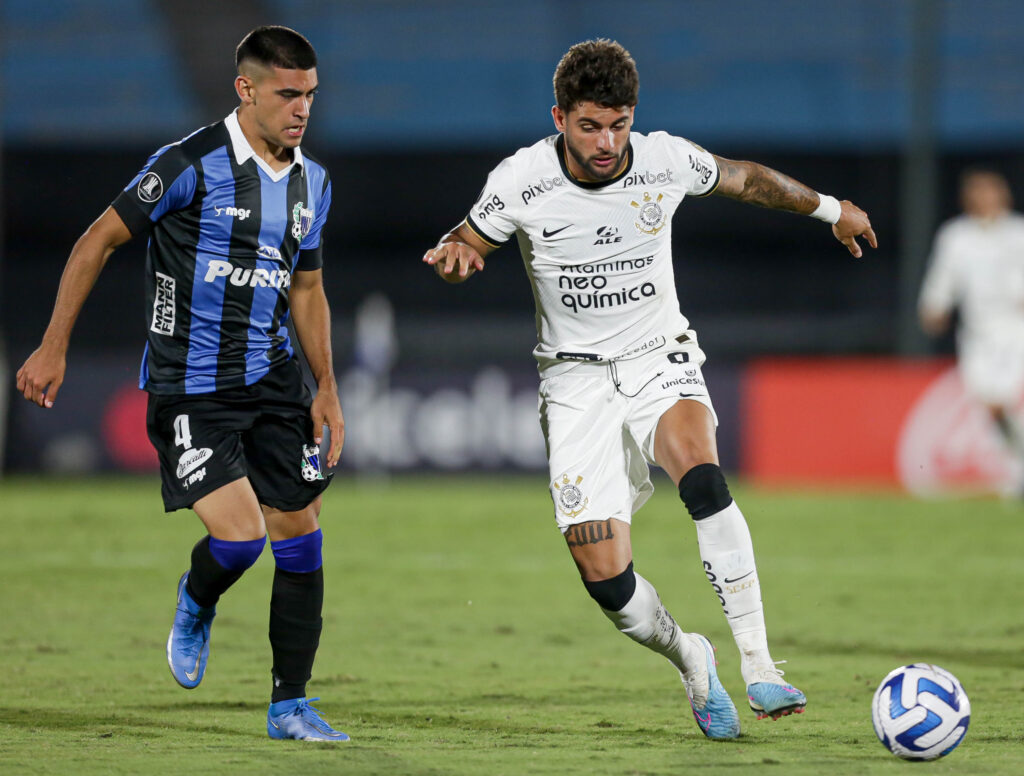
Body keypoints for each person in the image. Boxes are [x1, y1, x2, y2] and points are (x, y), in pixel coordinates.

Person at [423, 39, 876, 740]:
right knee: (609, 584)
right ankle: (692, 657)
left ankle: (760, 663)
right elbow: (469, 240)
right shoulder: (521, 180)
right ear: (559, 117)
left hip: (656, 355)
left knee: (700, 471)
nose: (606, 143)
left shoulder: (664, 159)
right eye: (589, 126)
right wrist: (456, 260)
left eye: (619, 123)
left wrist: (827, 209)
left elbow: (747, 180)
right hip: (573, 381)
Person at [16, 26, 349, 742]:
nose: (301, 110)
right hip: (190, 389)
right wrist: (52, 347)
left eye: (310, 96)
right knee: (239, 541)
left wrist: (326, 387)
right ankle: (198, 599)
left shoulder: (311, 184)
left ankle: (289, 706)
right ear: (247, 89)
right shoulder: (188, 164)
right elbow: (96, 240)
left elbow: (309, 287)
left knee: (302, 538)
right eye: (288, 94)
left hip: (275, 384)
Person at [919, 168, 1024, 489]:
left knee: (1002, 400)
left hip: (1016, 329)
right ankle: (1019, 464)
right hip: (977, 335)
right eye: (977, 191)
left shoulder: (1019, 233)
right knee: (989, 405)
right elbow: (942, 278)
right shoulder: (956, 236)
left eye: (989, 190)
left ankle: (1016, 476)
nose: (984, 197)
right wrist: (933, 306)